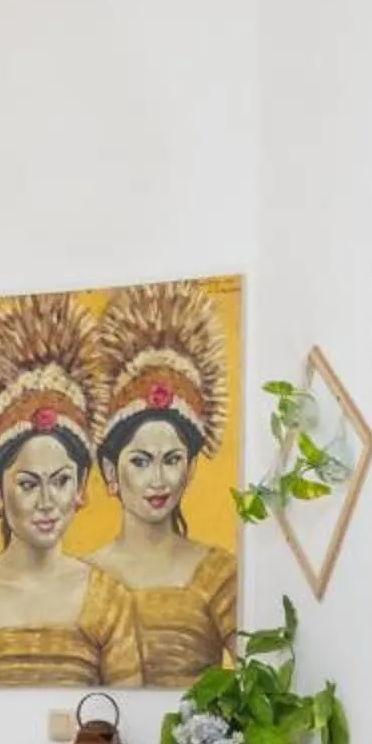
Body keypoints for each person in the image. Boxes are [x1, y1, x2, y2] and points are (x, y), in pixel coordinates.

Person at [0, 293, 144, 688]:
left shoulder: (109, 597)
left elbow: (128, 718)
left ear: (80, 488)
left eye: (60, 481)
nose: (46, 503)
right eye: (27, 484)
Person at [81, 279, 239, 686]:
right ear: (111, 473)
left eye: (171, 460)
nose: (158, 479)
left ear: (190, 469)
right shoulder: (83, 575)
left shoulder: (219, 573)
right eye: (140, 461)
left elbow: (261, 682)